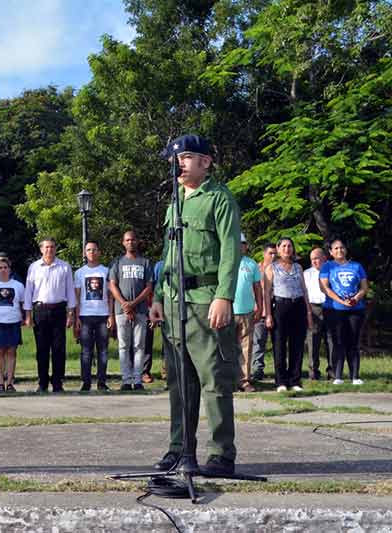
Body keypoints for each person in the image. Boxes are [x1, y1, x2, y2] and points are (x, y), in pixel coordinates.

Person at [150, 134, 241, 476]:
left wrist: (224, 296)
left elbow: (231, 250)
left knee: (214, 380)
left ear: (206, 162)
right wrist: (159, 295)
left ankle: (221, 454)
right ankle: (179, 448)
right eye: (177, 158)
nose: (180, 163)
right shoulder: (175, 202)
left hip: (206, 301)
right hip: (174, 303)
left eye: (187, 157)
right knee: (179, 382)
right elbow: (167, 253)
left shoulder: (219, 199)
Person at [23, 238, 76, 393]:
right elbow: (28, 292)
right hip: (40, 311)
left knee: (59, 349)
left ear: (56, 249)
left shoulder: (64, 267)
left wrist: (71, 313)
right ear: (41, 249)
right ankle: (43, 382)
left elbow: (70, 291)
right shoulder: (34, 268)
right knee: (42, 349)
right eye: (46, 247)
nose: (49, 250)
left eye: (52, 247)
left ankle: (58, 382)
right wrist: (28, 314)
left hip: (59, 310)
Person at [264, 237, 312, 392]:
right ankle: (281, 382)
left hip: (298, 306)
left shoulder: (298, 267)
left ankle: (295, 380)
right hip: (280, 307)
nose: (287, 249)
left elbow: (304, 290)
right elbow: (266, 292)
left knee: (297, 345)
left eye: (289, 246)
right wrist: (268, 315)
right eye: (283, 246)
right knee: (279, 345)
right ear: (278, 249)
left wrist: (309, 312)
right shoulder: (272, 268)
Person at [319, 239, 369, 385]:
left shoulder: (357, 266)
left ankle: (355, 376)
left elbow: (365, 287)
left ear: (345, 249)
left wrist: (355, 298)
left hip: (356, 309)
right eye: (335, 248)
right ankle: (338, 376)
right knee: (338, 342)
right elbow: (325, 288)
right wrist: (342, 301)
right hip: (335, 310)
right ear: (330, 252)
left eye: (341, 247)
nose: (339, 250)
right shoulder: (327, 266)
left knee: (353, 342)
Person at [109, 231, 153, 391]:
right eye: (127, 240)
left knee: (139, 346)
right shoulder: (117, 262)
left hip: (140, 311)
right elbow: (112, 285)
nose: (130, 242)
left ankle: (138, 379)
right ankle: (126, 380)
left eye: (133, 239)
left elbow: (149, 287)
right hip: (121, 312)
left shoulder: (145, 262)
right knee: (123, 346)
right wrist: (124, 304)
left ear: (137, 241)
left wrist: (133, 304)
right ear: (123, 242)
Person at [74, 240, 112, 391]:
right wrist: (76, 317)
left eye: (94, 250)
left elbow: (110, 296)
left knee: (103, 350)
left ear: (99, 252)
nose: (92, 252)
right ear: (85, 253)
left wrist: (111, 315)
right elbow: (76, 297)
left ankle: (102, 382)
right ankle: (86, 382)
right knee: (86, 351)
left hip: (103, 315)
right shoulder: (79, 273)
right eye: (88, 250)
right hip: (85, 316)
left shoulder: (106, 271)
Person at [0, 256, 25, 392]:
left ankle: (10, 382)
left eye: (5, 268)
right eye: (0, 268)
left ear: (10, 269)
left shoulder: (18, 286)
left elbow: (22, 303)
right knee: (0, 352)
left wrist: (25, 318)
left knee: (12, 352)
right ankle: (1, 382)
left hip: (13, 321)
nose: (3, 270)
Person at [232, 234, 262, 393]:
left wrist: (260, 307)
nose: (239, 246)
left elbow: (258, 287)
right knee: (226, 347)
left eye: (242, 243)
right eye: (237, 243)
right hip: (227, 312)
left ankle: (244, 380)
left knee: (246, 347)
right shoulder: (224, 261)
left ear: (246, 246)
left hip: (247, 312)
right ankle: (228, 380)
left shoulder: (251, 264)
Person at [304, 247, 331, 380]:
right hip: (313, 308)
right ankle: (313, 372)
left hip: (331, 308)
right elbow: (303, 294)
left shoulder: (332, 271)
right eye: (312, 259)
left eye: (316, 258)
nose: (314, 261)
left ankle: (332, 371)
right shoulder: (306, 273)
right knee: (313, 341)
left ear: (324, 258)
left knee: (331, 340)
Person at [251, 243, 277, 380]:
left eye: (275, 254)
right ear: (264, 254)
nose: (273, 256)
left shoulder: (279, 269)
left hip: (276, 309)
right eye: (270, 253)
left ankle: (280, 369)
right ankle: (257, 369)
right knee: (258, 341)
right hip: (259, 310)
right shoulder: (255, 268)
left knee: (278, 341)